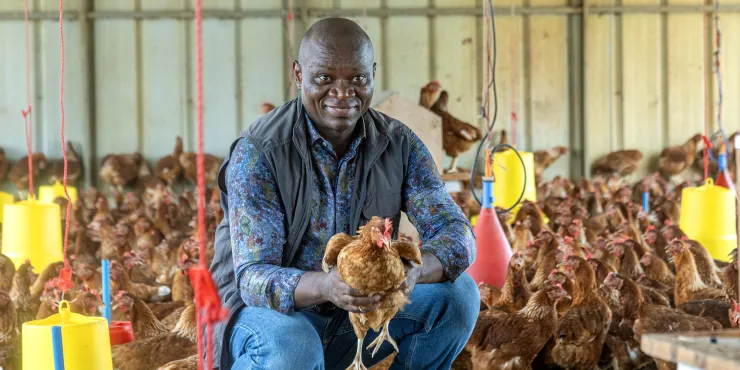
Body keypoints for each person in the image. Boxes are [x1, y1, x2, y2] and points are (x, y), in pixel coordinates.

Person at [209, 17, 479, 370]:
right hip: (267, 320)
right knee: (295, 346)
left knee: (458, 297)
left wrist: (413, 269)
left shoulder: (398, 145)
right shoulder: (261, 151)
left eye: (357, 79)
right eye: (324, 78)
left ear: (372, 74)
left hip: (354, 317)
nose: (343, 92)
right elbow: (252, 279)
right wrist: (325, 285)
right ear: (298, 75)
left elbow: (458, 233)